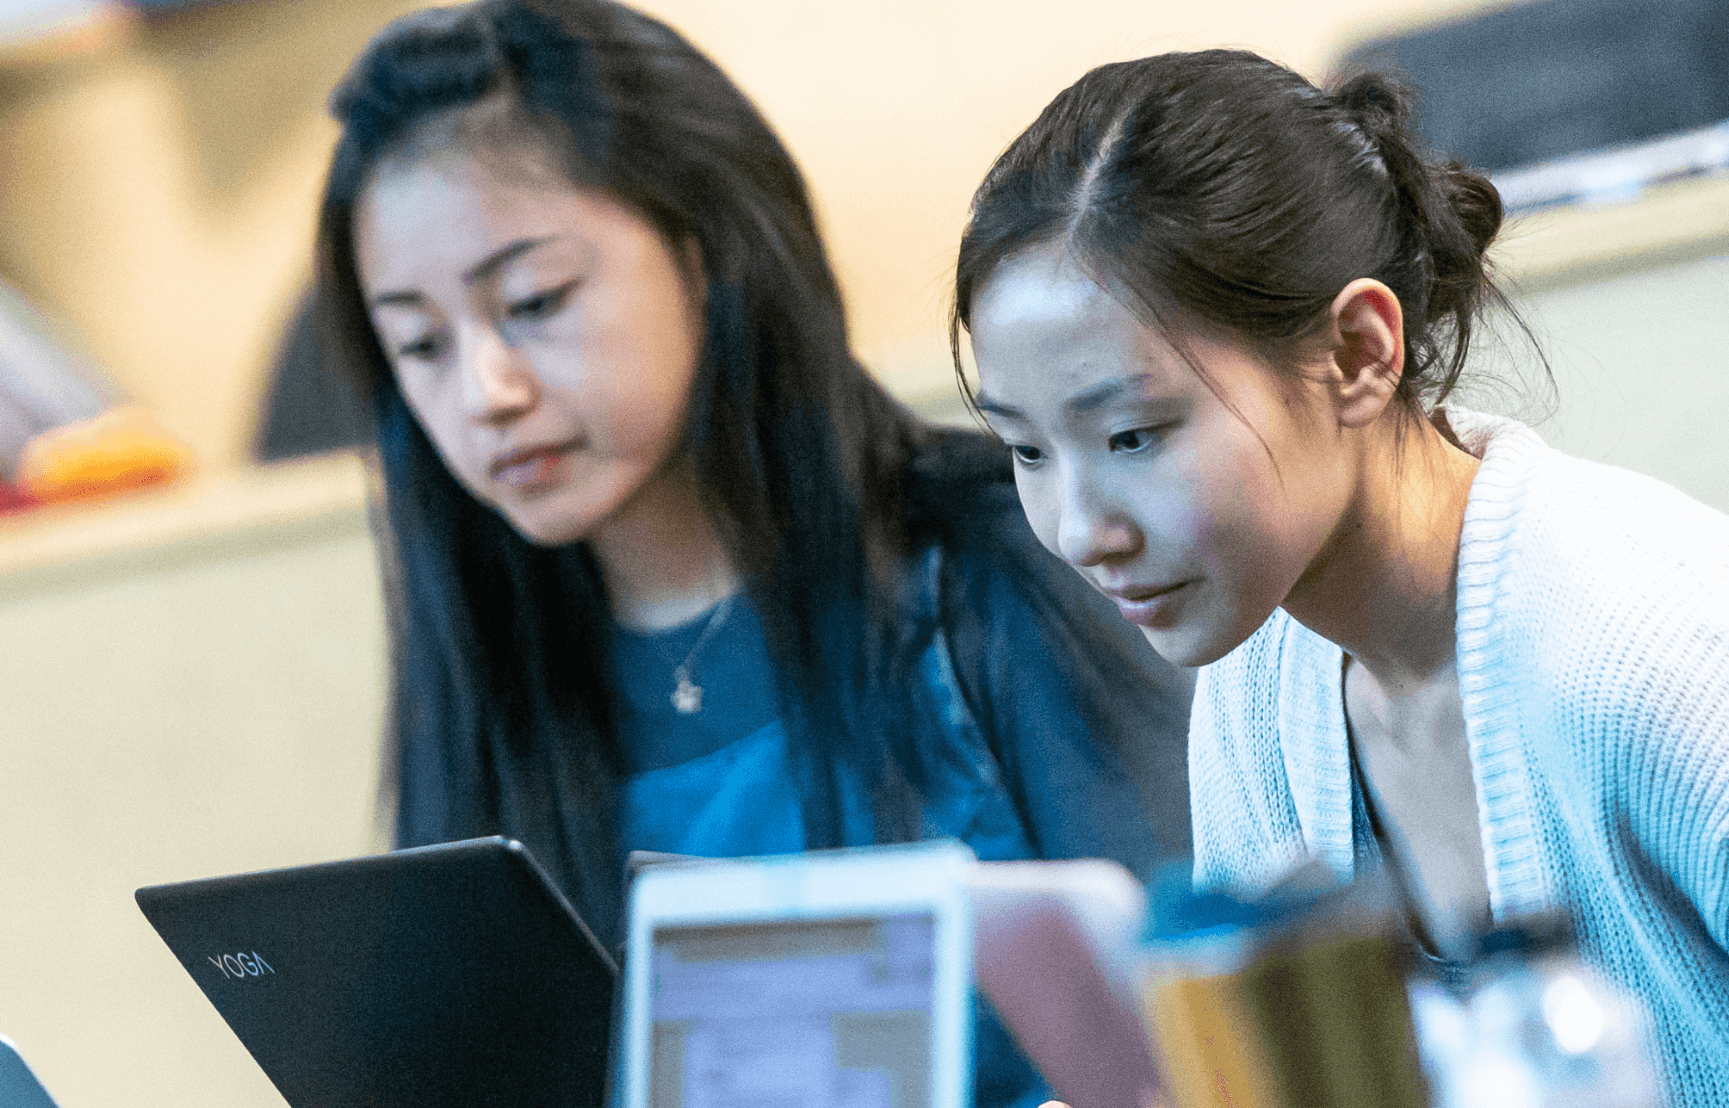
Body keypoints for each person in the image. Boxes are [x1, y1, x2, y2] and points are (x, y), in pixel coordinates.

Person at [315, 3, 1192, 1105]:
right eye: (420, 343)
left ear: (709, 250)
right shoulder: (494, 676)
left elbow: (1201, 1031)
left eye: (533, 301)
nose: (483, 392)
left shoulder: (1004, 562)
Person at [952, 49, 1729, 1104]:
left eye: (1131, 436)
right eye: (1028, 451)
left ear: (1358, 352)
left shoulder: (1649, 649)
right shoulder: (1256, 679)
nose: (1079, 530)